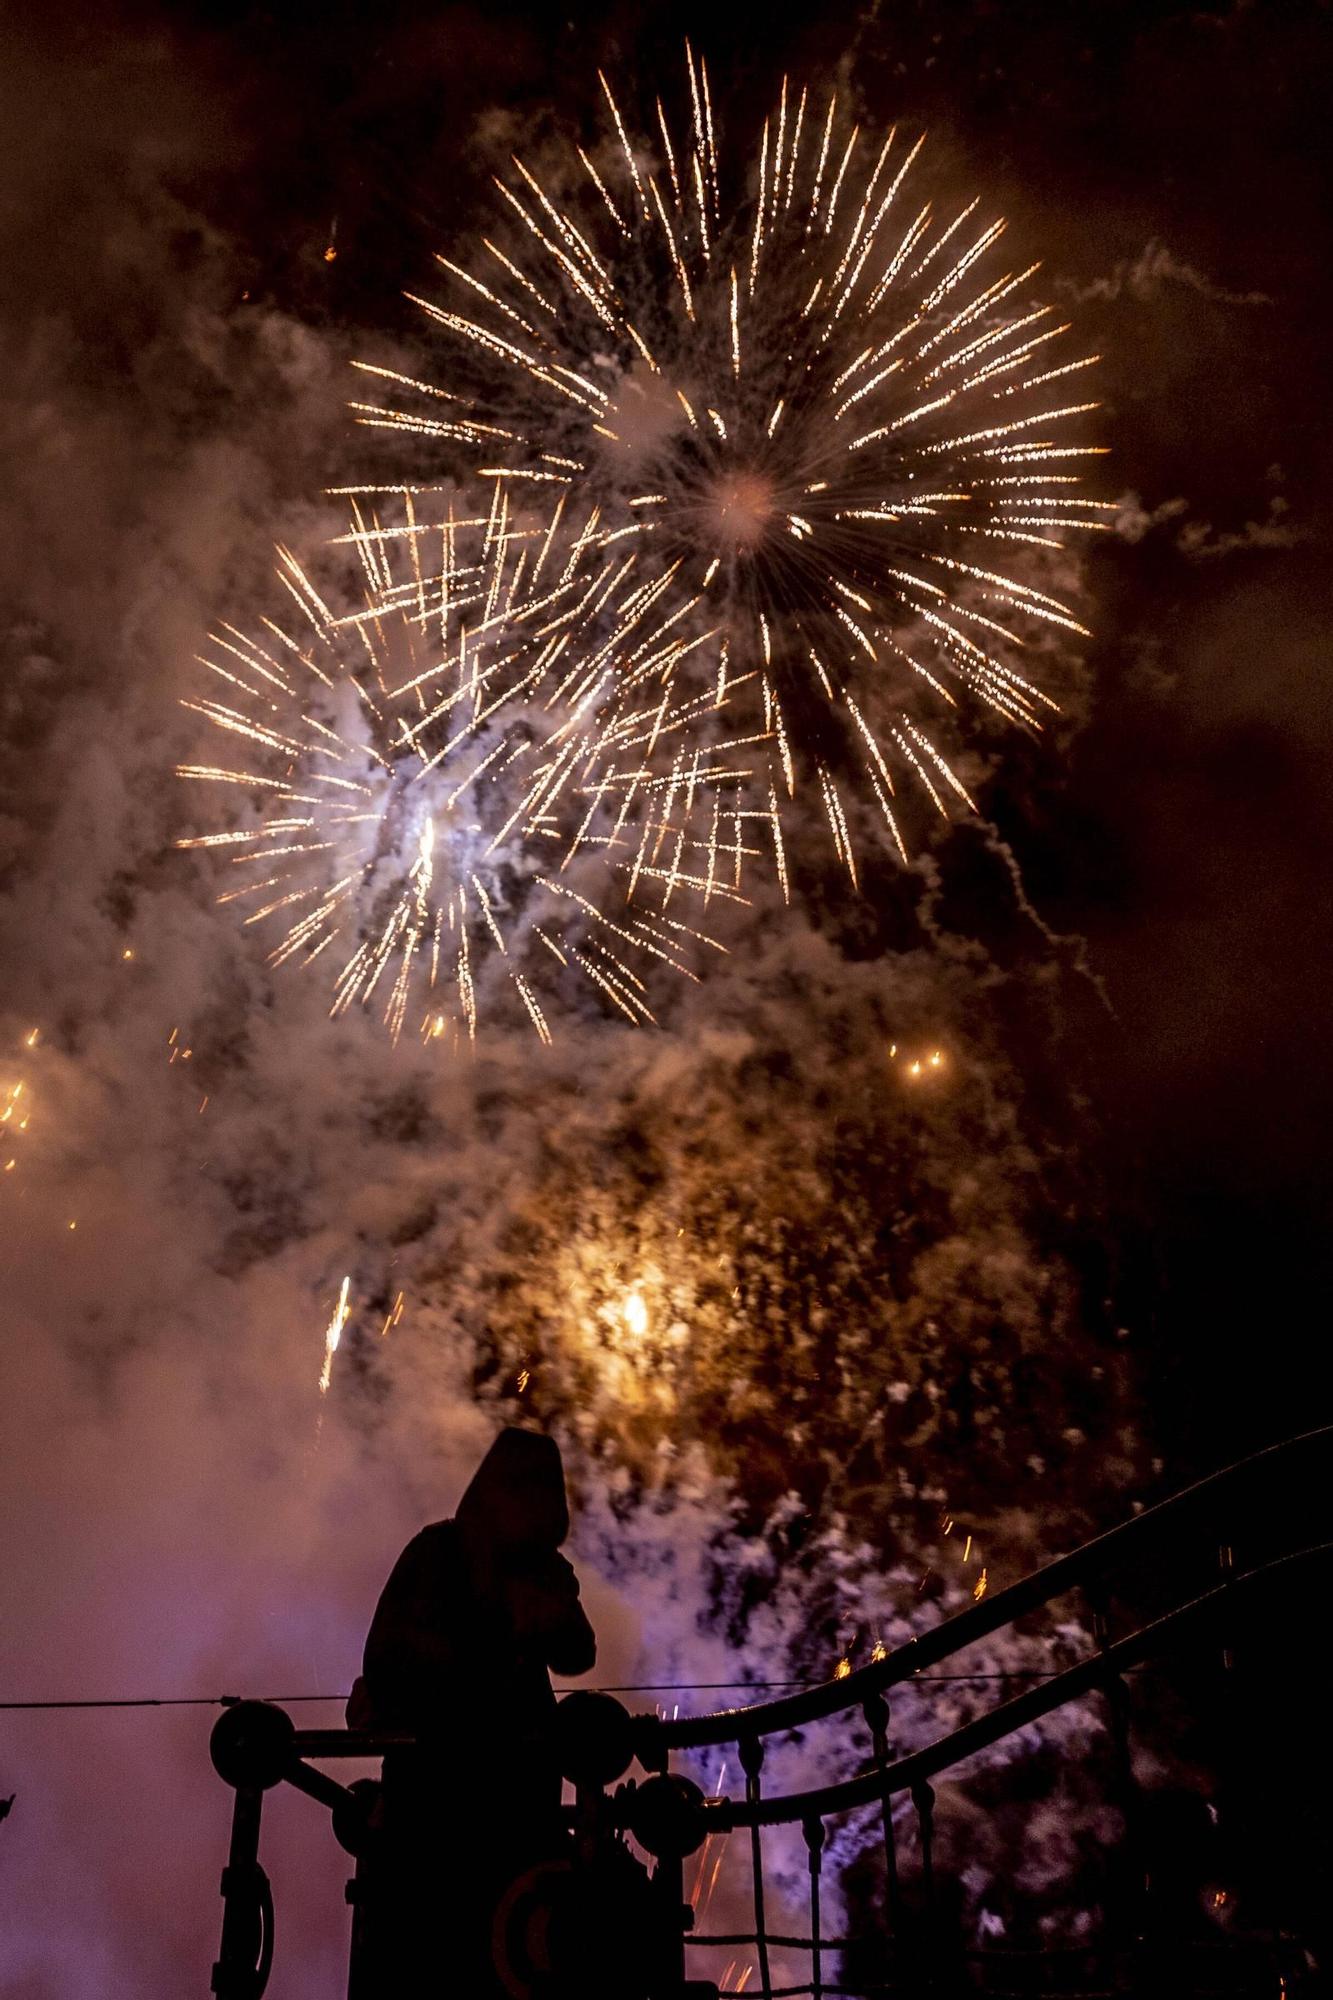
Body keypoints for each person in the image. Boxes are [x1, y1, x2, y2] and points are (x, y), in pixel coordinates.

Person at [346, 1428, 596, 1992]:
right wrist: (505, 1629)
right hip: (440, 1806)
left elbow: (579, 1651)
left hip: (509, 1807)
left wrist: (550, 1616)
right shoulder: (438, 1554)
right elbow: (392, 1660)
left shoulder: (539, 1568)